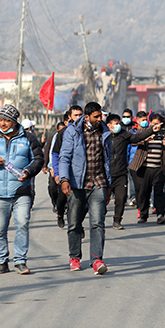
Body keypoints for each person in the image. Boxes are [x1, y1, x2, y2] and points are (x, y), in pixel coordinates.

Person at [0, 105, 44, 275]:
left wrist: (28, 171)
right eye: (1, 119)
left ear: (14, 122)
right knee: (0, 228)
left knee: (22, 225)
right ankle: (1, 261)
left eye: (7, 120)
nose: (3, 123)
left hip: (22, 189)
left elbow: (39, 159)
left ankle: (20, 261)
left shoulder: (28, 138)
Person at [59, 102, 112, 274]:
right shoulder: (73, 131)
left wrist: (109, 185)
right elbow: (65, 156)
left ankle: (97, 260)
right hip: (77, 184)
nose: (99, 119)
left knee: (98, 223)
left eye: (100, 116)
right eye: (96, 116)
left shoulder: (105, 132)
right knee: (74, 223)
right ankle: (74, 257)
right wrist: (64, 179)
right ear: (87, 117)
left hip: (98, 183)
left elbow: (108, 160)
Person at [107, 112, 159, 229]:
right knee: (101, 201)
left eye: (119, 123)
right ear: (109, 125)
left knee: (121, 199)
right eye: (115, 124)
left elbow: (137, 137)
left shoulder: (124, 135)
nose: (118, 126)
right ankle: (98, 221)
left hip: (120, 174)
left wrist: (151, 130)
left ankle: (117, 220)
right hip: (106, 174)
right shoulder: (103, 136)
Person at [129, 111, 165, 224]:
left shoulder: (164, 135)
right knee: (143, 192)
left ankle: (160, 214)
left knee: (158, 192)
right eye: (154, 123)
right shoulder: (143, 132)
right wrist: (145, 138)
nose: (157, 126)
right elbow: (133, 141)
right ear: (150, 122)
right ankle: (143, 214)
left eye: (159, 123)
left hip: (158, 168)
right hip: (144, 168)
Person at [52, 107, 83, 227]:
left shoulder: (86, 132)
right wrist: (57, 172)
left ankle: (77, 224)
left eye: (80, 115)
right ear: (69, 117)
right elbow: (55, 153)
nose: (78, 118)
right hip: (65, 172)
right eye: (75, 115)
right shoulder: (63, 133)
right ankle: (60, 214)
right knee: (62, 199)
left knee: (79, 203)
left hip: (79, 173)